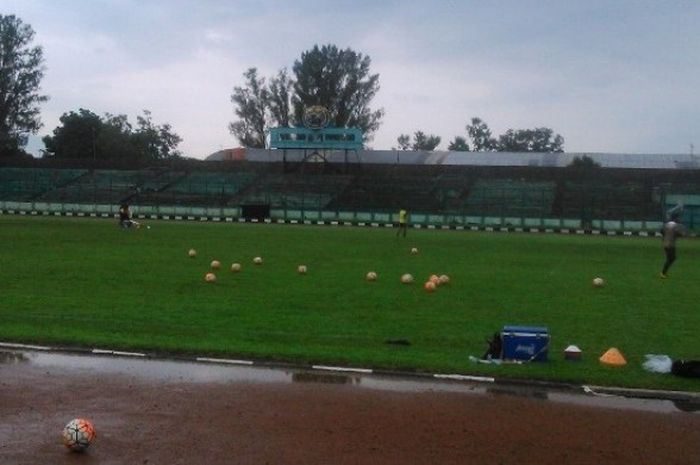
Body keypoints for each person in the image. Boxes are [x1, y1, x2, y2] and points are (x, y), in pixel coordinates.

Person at [660, 211, 684, 278]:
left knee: (671, 258)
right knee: (671, 258)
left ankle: (663, 273)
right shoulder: (675, 226)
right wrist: (681, 234)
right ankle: (663, 273)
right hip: (671, 244)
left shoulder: (666, 224)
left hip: (666, 243)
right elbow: (678, 233)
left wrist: (665, 236)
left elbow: (661, 231)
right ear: (676, 218)